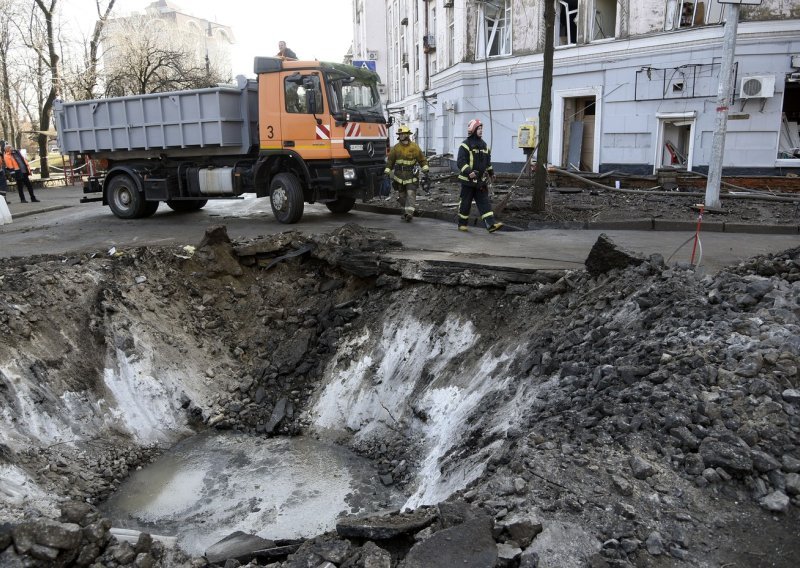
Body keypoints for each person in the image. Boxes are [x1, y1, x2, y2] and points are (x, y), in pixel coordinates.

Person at [456, 119, 502, 232]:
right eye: (479, 128)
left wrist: (491, 173)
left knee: (484, 202)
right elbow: (460, 161)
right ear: (473, 129)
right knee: (465, 203)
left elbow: (487, 162)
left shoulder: (484, 145)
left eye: (481, 129)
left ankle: (491, 225)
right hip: (468, 181)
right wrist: (469, 172)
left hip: (480, 181)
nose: (481, 131)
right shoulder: (465, 145)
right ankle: (462, 224)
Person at [384, 125, 429, 222]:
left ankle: (409, 214)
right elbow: (390, 162)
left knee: (411, 193)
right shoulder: (396, 148)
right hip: (399, 177)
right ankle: (405, 211)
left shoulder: (414, 147)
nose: (401, 135)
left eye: (403, 134)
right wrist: (387, 172)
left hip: (411, 176)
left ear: (408, 135)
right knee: (402, 196)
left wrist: (425, 169)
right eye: (400, 134)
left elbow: (422, 159)